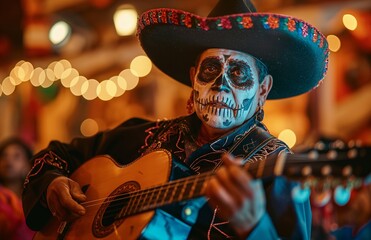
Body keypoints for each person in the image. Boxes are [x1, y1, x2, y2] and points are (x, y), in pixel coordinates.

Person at [22, 0, 329, 239]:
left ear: (263, 90)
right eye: (211, 70)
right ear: (194, 78)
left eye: (238, 73)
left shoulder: (274, 166)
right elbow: (55, 156)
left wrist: (255, 229)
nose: (221, 85)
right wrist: (53, 184)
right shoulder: (146, 137)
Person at [0, 138, 34, 239]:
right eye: (4, 156)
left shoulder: (35, 200)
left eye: (16, 156)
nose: (8, 160)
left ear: (28, 165)